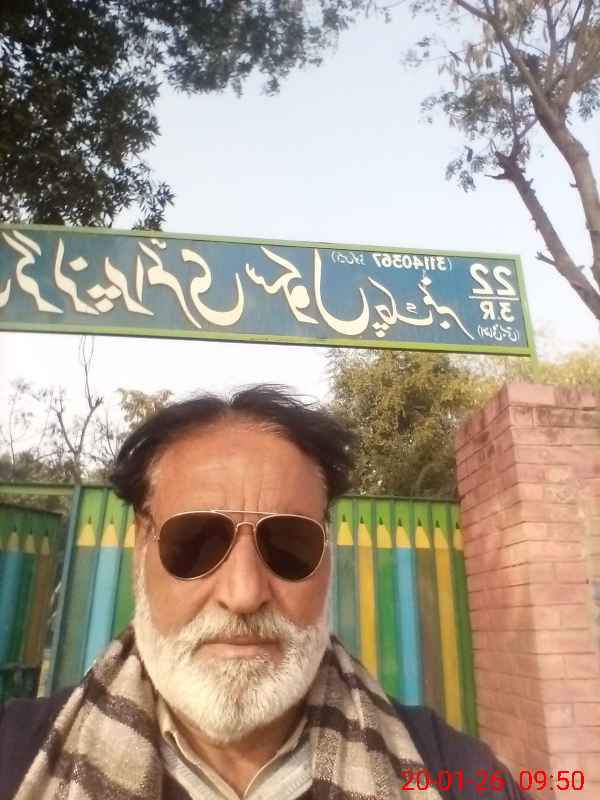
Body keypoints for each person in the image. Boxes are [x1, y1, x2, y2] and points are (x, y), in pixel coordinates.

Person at [1, 385, 526, 800]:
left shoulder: (459, 775)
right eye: (196, 542)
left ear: (327, 558)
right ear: (142, 545)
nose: (245, 593)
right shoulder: (16, 757)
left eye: (289, 545)